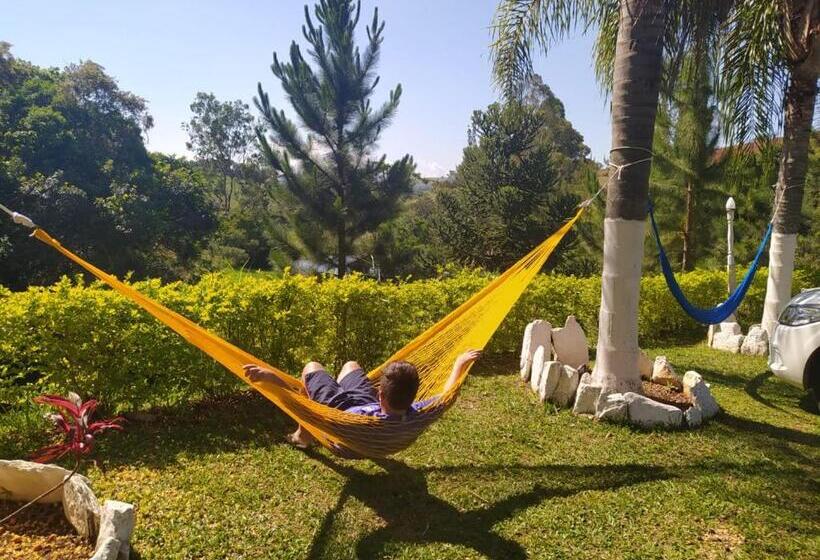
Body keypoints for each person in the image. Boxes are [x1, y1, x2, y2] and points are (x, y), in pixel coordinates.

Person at [243, 349, 482, 448]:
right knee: (350, 366)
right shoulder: (420, 413)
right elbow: (447, 396)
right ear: (414, 395)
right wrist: (459, 365)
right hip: (367, 407)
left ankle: (302, 436)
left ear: (381, 394)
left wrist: (273, 379)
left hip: (340, 412)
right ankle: (305, 431)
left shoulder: (350, 421)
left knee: (311, 367)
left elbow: (307, 409)